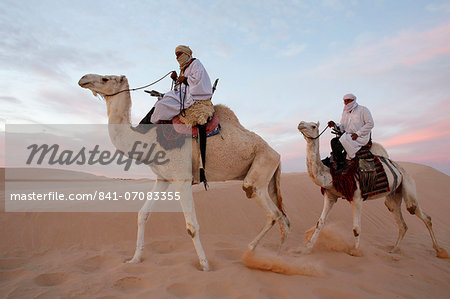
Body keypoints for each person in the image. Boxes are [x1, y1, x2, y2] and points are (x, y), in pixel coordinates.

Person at [137, 45, 212, 127]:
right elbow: (182, 85)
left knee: (161, 105)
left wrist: (184, 79)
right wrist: (175, 79)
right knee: (160, 101)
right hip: (182, 94)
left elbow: (198, 81)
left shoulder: (196, 63)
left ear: (186, 54)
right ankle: (142, 125)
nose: (177, 58)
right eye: (176, 56)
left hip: (192, 96)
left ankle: (144, 127)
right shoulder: (184, 68)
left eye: (179, 54)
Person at [327, 93, 374, 168]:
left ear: (353, 100)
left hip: (360, 136)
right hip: (348, 135)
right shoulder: (345, 112)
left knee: (340, 142)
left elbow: (370, 124)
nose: (346, 103)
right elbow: (342, 126)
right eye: (344, 101)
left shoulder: (363, 109)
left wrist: (358, 134)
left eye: (348, 101)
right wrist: (334, 125)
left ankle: (341, 164)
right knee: (334, 141)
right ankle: (338, 161)